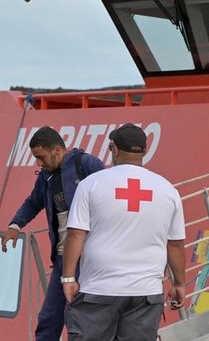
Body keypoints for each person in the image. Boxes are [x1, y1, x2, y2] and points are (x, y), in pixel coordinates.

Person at [62, 123, 186, 341]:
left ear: (114, 149)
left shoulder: (91, 184)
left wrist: (68, 278)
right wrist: (179, 284)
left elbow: (75, 235)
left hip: (97, 291)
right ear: (144, 152)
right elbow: (175, 244)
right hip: (146, 294)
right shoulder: (168, 190)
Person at [1, 126, 104, 341]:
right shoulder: (46, 177)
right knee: (49, 318)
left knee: (83, 321)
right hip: (62, 259)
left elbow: (110, 199)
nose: (39, 163)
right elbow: (32, 203)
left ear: (57, 150)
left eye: (41, 157)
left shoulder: (86, 165)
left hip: (91, 260)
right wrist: (14, 225)